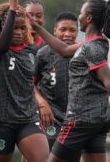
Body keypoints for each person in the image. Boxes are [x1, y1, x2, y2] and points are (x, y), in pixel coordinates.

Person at [30, 0, 110, 162]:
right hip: (98, 120)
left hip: (80, 120)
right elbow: (64, 50)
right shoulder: (95, 43)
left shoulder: (91, 48)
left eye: (81, 12)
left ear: (88, 18)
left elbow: (108, 81)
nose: (79, 15)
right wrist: (37, 27)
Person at [0, 0, 49, 162]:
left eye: (23, 28)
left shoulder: (31, 50)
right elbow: (2, 46)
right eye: (14, 27)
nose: (19, 32)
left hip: (27, 119)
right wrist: (12, 11)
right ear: (2, 28)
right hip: (1, 121)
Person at [34, 12, 78, 149]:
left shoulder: (83, 53)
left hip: (78, 118)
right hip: (51, 118)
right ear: (54, 31)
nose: (67, 34)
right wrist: (42, 103)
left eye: (72, 30)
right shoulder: (43, 54)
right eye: (63, 29)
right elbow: (30, 83)